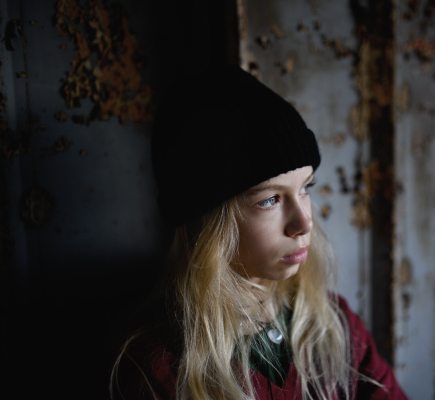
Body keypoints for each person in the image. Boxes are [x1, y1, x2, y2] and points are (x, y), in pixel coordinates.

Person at [109, 66, 408, 400]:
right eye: (270, 199)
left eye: (306, 187)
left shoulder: (332, 324)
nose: (305, 222)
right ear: (207, 226)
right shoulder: (155, 368)